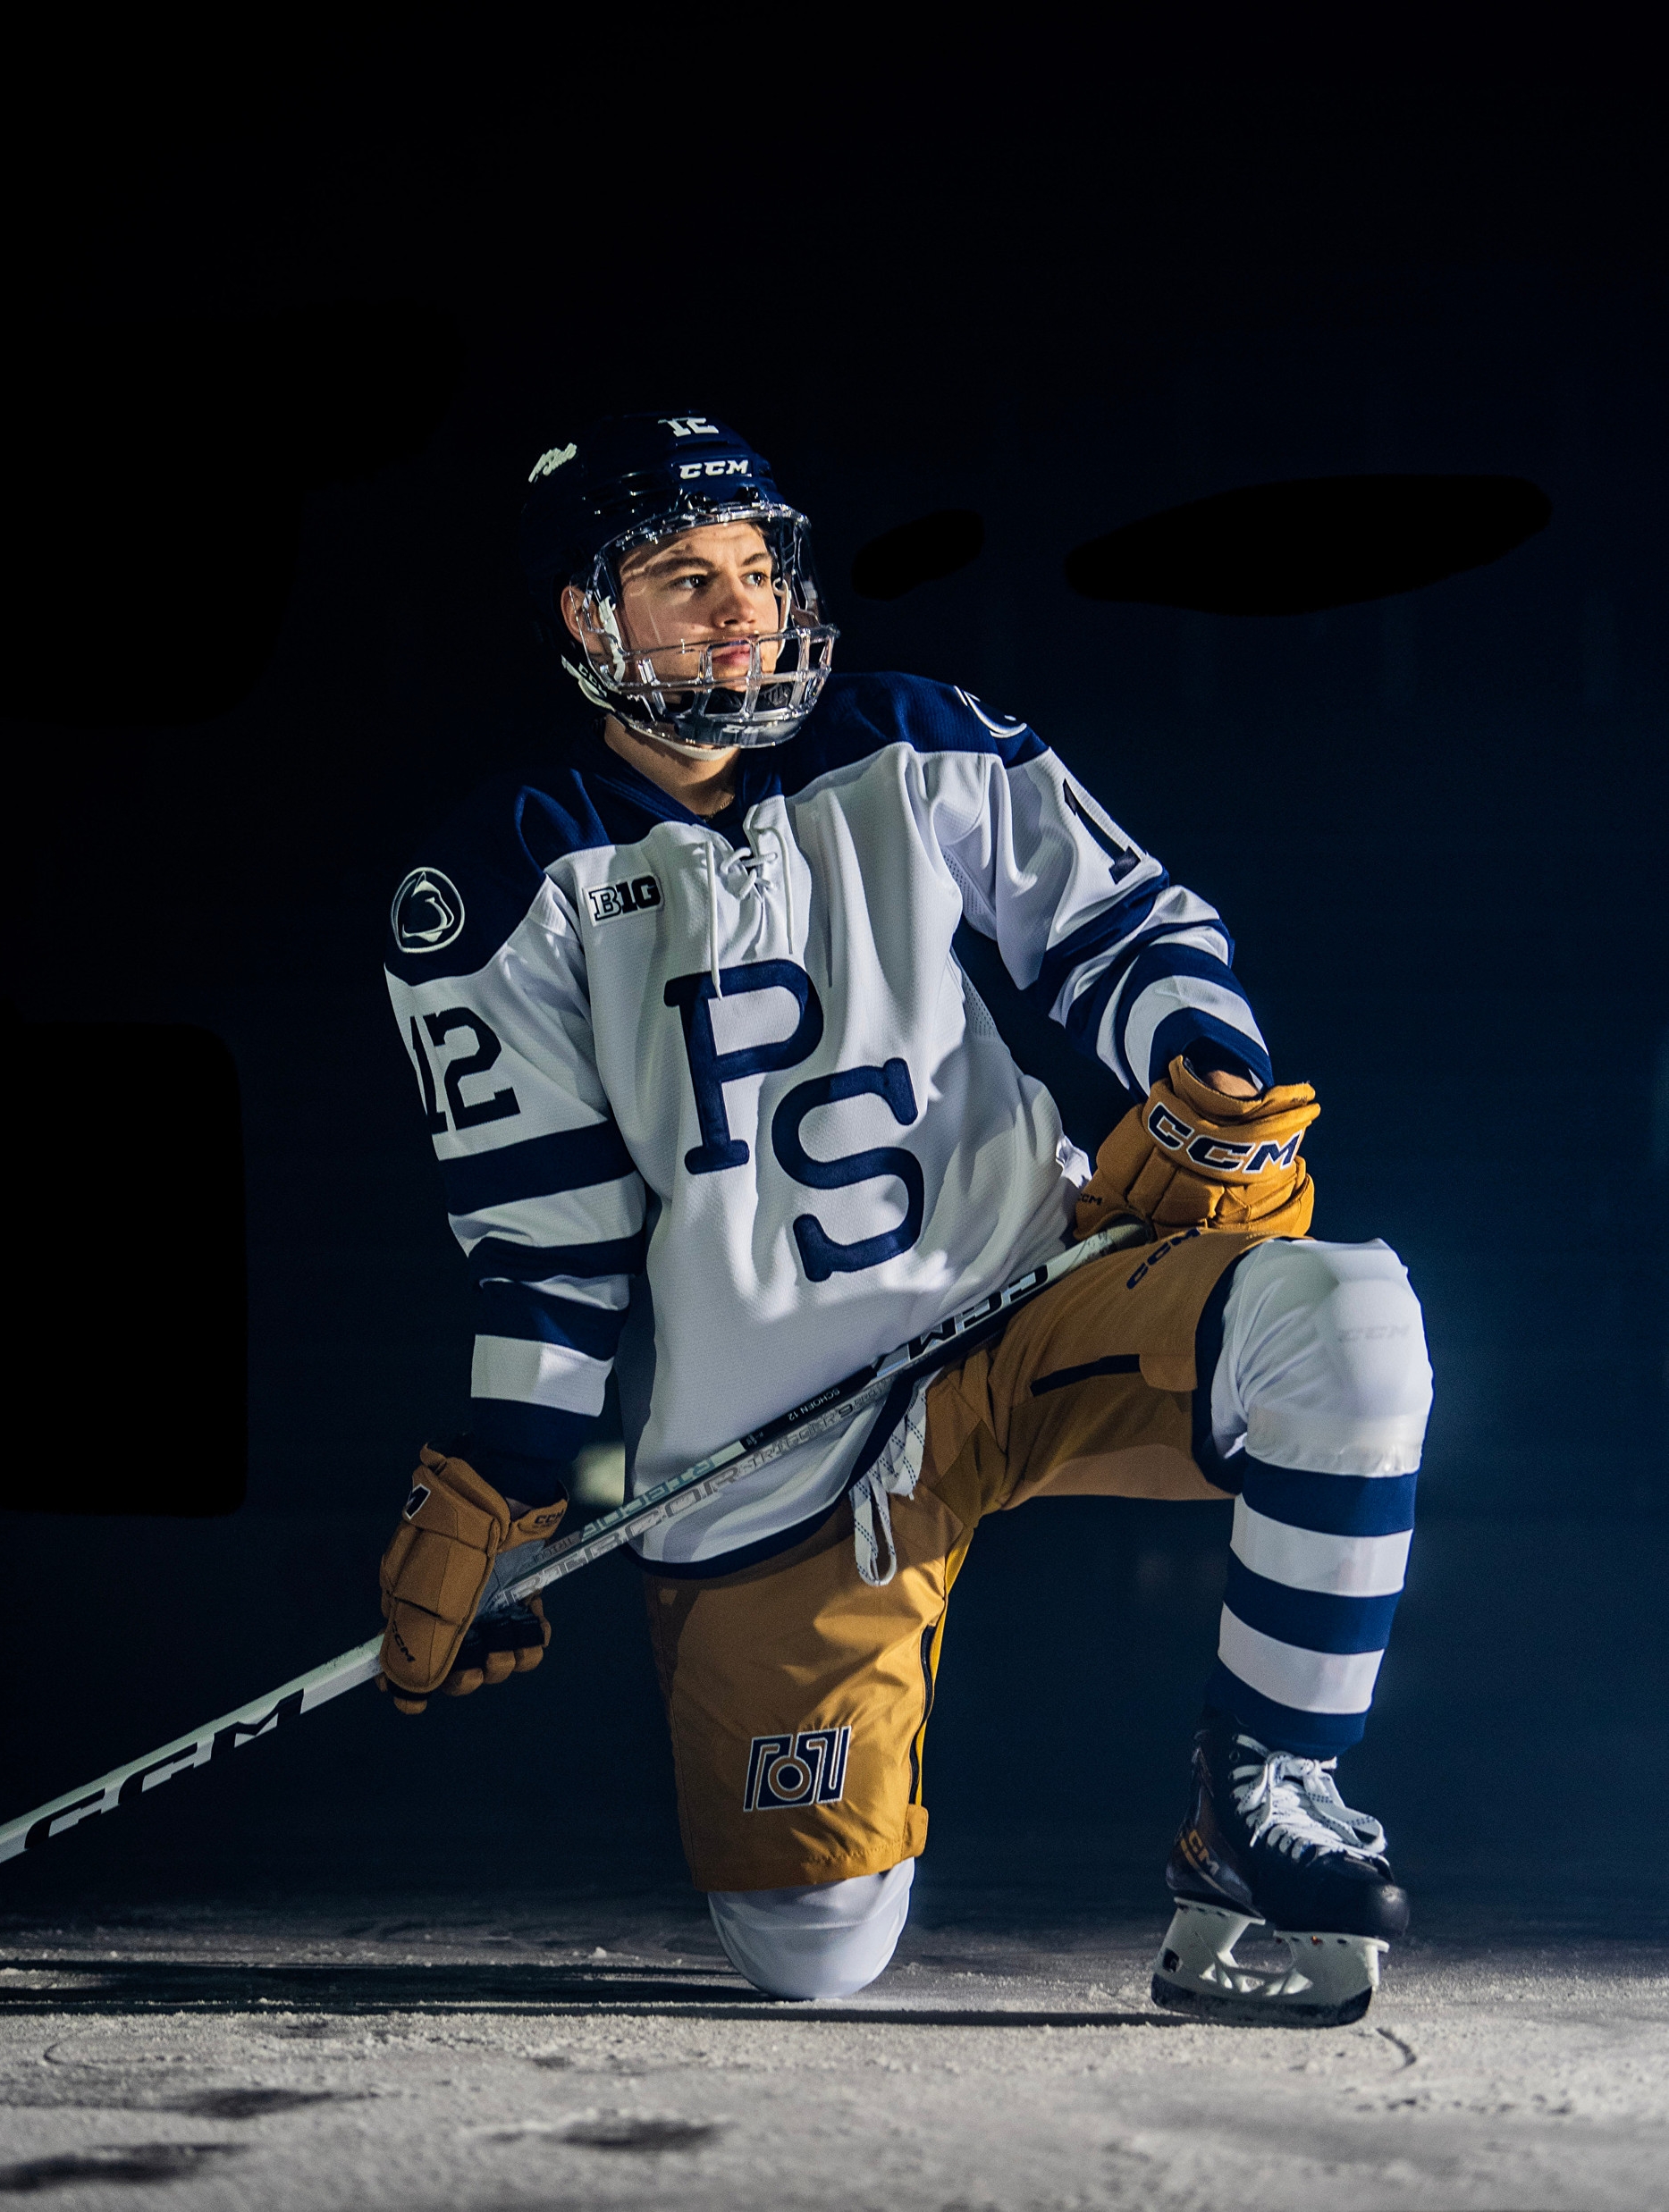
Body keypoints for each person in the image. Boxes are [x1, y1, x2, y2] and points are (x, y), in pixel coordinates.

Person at [375, 414, 1434, 2023]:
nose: (740, 609)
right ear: (589, 617)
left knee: (1350, 1322)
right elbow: (550, 1239)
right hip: (777, 1435)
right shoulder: (502, 877)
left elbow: (1123, 924)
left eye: (756, 569)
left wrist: (1206, 1071)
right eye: (684, 578)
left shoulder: (912, 742)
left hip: (1028, 1298)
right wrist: (507, 1478)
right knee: (811, 1949)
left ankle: (1264, 1797)